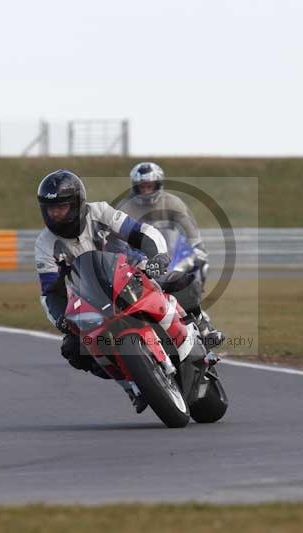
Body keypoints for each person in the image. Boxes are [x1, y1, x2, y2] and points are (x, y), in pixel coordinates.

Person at [35, 169, 170, 413]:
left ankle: (201, 326)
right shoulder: (44, 243)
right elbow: (50, 292)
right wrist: (60, 319)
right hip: (92, 299)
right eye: (50, 208)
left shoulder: (99, 212)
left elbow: (141, 233)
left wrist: (156, 257)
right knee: (74, 348)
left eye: (62, 207)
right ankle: (130, 385)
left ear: (76, 203)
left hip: (131, 273)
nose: (55, 213)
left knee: (176, 279)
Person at [115, 162, 224, 347]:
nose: (146, 191)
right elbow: (115, 240)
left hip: (171, 255)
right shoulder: (124, 207)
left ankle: (201, 323)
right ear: (135, 187)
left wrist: (196, 250)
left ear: (158, 185)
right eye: (142, 187)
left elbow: (191, 232)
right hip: (139, 259)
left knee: (199, 265)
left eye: (150, 186)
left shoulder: (173, 203)